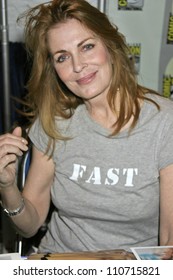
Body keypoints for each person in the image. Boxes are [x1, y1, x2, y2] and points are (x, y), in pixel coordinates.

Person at [0, 0, 173, 258]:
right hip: (57, 261)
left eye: (87, 47)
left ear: (110, 45)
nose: (78, 66)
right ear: (54, 68)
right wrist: (7, 187)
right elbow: (30, 225)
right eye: (62, 57)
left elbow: (169, 244)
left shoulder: (163, 122)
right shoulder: (54, 121)